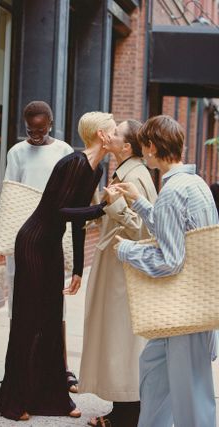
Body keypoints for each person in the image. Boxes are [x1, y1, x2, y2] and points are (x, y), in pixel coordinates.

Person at [0, 111, 117, 421]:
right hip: (33, 242)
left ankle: (52, 399)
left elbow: (76, 220)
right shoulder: (73, 163)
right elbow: (62, 210)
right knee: (29, 320)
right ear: (101, 135)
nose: (117, 135)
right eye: (113, 130)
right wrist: (103, 207)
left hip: (50, 245)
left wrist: (77, 268)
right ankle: (14, 400)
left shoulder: (96, 167)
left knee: (51, 319)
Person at [109, 115, 218, 427]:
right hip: (193, 303)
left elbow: (171, 260)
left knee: (190, 394)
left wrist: (126, 250)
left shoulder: (172, 192)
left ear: (152, 147)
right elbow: (177, 233)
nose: (144, 153)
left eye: (145, 146)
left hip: (183, 309)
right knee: (154, 367)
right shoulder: (195, 183)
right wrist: (141, 203)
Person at [79, 119, 157, 427]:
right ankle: (120, 410)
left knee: (121, 341)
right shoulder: (128, 171)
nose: (107, 135)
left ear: (126, 147)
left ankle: (127, 414)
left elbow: (141, 228)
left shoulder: (134, 177)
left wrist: (111, 205)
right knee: (116, 340)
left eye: (114, 133)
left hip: (123, 270)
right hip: (116, 266)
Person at [3, 100, 77, 390]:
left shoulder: (64, 151)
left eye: (41, 129)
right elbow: (11, 195)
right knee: (20, 308)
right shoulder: (16, 153)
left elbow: (72, 195)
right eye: (30, 130)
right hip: (24, 237)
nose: (35, 135)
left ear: (51, 124)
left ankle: (62, 369)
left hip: (53, 236)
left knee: (56, 308)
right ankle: (18, 370)